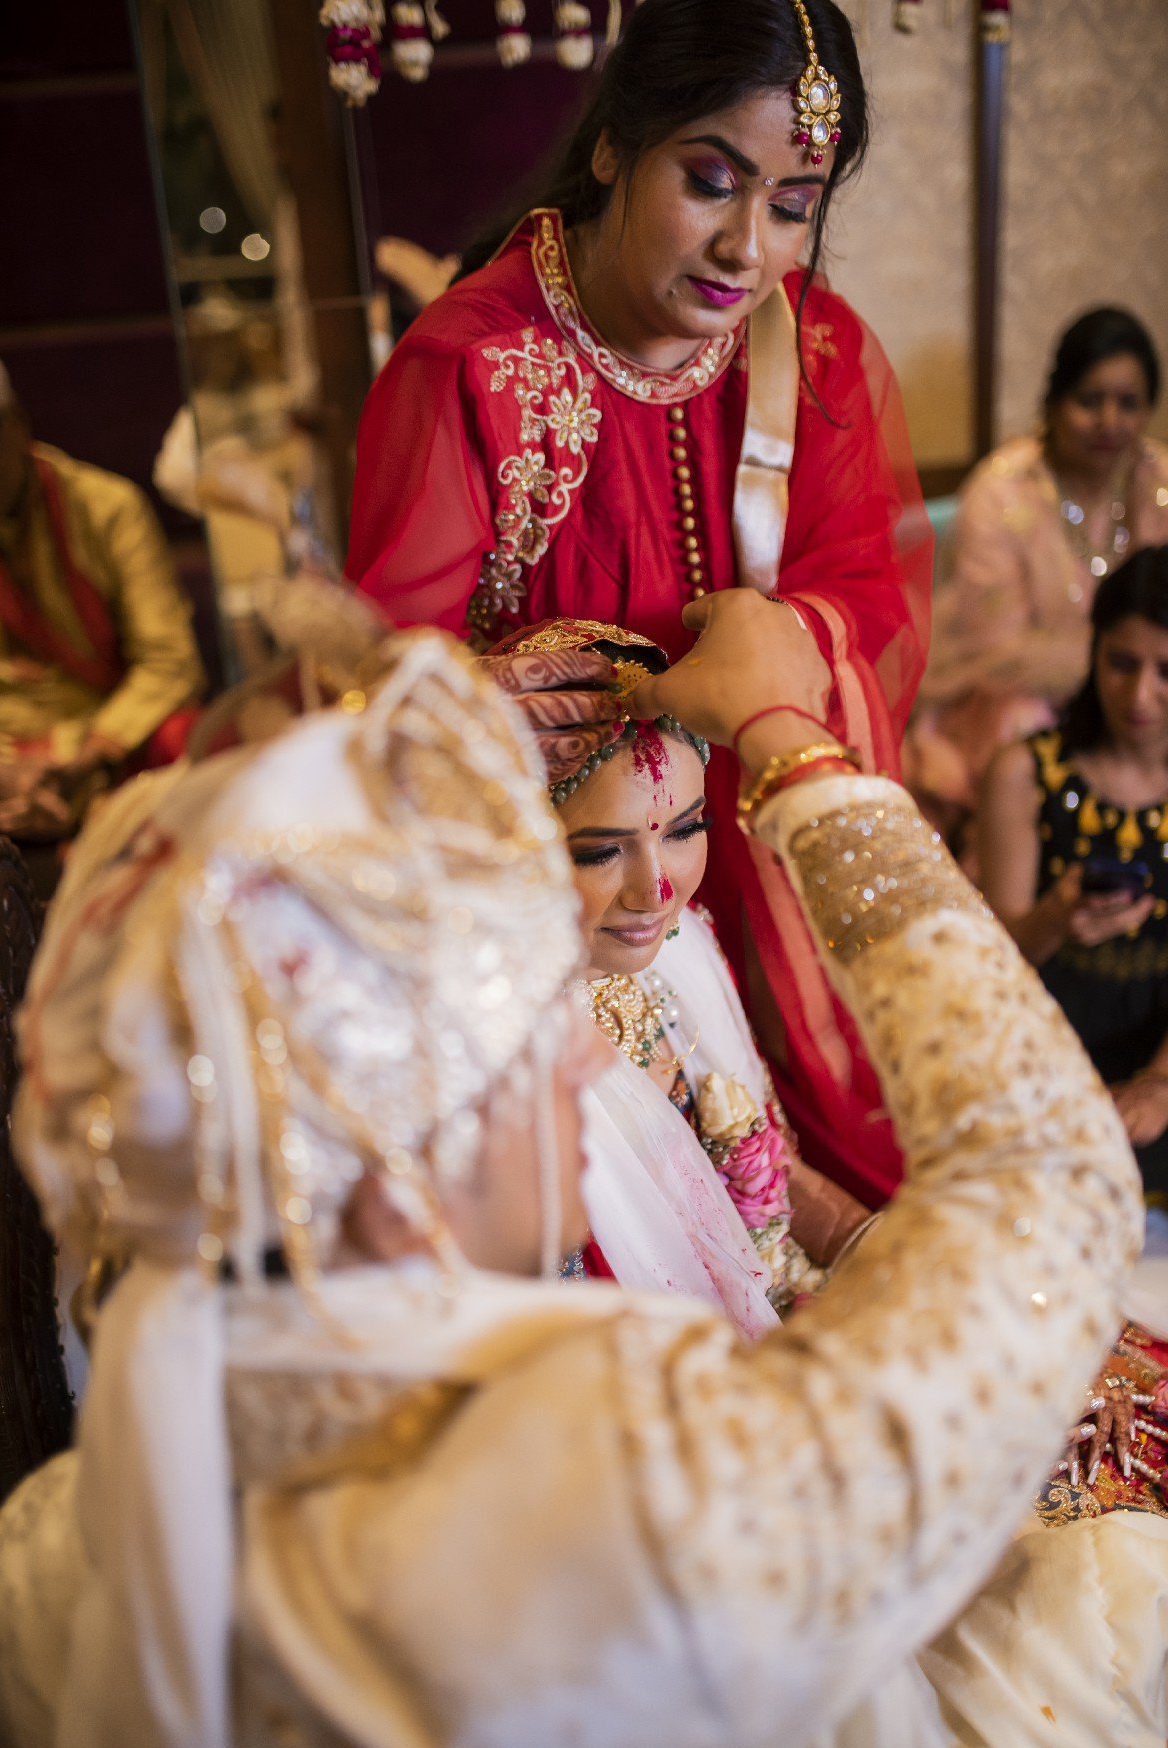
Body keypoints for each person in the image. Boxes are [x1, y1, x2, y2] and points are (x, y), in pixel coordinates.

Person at [0, 591, 1144, 1748]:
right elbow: (1051, 1180)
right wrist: (794, 740)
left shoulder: (49, 1555)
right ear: (389, 1198)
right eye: (528, 1045)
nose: (588, 1057)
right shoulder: (647, 1486)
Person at [344, 0, 932, 1207]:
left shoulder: (809, 357)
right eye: (711, 181)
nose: (746, 251)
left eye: (790, 203)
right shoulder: (478, 368)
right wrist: (482, 705)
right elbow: (374, 689)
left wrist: (789, 640)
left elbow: (869, 596)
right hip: (556, 906)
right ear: (614, 142)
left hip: (760, 854)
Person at [487, 618, 872, 1325]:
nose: (657, 893)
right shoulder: (500, 1065)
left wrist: (876, 1247)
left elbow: (767, 1173)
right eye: (600, 852)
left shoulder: (683, 949)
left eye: (685, 830)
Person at [911, 308, 1168, 846]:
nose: (1109, 422)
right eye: (1089, 400)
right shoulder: (1003, 494)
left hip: (1136, 680)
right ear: (1053, 403)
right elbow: (1002, 655)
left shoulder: (1158, 481)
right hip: (1003, 695)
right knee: (1022, 727)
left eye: (1129, 403)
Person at [979, 546, 1168, 1197]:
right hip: (1047, 1051)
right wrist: (1053, 920)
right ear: (1092, 653)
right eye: (1120, 663)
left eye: (1164, 670)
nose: (1138, 693)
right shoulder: (1026, 773)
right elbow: (991, 967)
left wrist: (1158, 1084)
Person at [0, 337, 204, 840]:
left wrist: (89, 760)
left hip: (107, 751)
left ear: (15, 423)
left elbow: (172, 663)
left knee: (185, 738)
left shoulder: (107, 507)